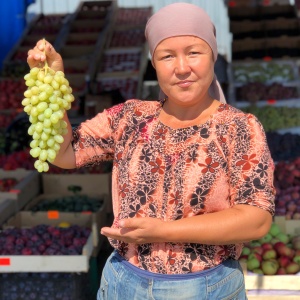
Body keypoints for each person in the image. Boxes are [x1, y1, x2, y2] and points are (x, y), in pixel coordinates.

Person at [27, 3, 275, 300]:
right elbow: (64, 154)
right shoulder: (129, 118)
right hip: (123, 283)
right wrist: (53, 84)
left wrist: (161, 231)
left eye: (194, 52)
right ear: (154, 63)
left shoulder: (239, 128)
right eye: (167, 56)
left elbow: (256, 219)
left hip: (205, 288)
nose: (182, 67)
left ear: (213, 55)